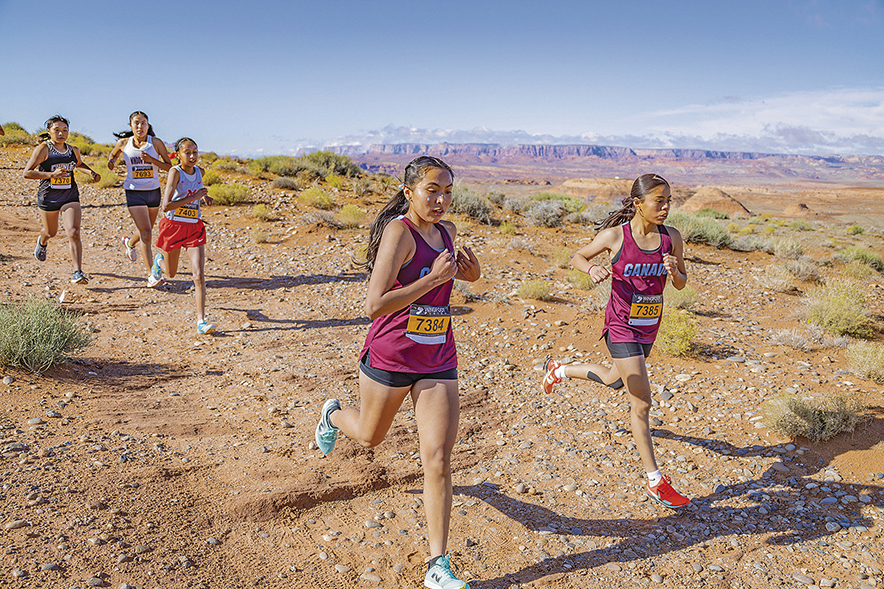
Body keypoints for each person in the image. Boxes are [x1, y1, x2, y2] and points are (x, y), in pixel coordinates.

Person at [315, 156, 480, 589]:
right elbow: (373, 306)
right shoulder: (398, 233)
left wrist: (471, 273)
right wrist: (429, 281)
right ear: (409, 192)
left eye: (448, 191)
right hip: (391, 355)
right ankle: (333, 415)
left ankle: (437, 564)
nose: (442, 199)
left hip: (438, 358)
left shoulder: (448, 233)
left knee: (439, 460)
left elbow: (451, 282)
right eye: (432, 191)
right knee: (370, 437)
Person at [542, 173, 691, 509]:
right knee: (641, 401)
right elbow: (578, 256)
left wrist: (674, 271)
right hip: (621, 325)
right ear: (638, 204)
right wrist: (591, 270)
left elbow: (681, 283)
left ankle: (560, 371)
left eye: (669, 201)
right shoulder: (615, 237)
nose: (666, 207)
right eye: (659, 201)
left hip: (649, 327)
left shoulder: (672, 239)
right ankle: (656, 481)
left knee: (614, 380)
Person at [23, 115, 101, 284]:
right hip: (48, 197)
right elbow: (27, 172)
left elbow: (78, 164)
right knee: (51, 232)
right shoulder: (43, 149)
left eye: (64, 130)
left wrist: (91, 173)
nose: (61, 133)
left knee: (73, 231)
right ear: (49, 131)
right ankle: (42, 241)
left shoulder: (73, 150)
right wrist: (51, 174)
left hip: (69, 196)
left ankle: (77, 272)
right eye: (56, 130)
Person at [150, 137, 216, 334]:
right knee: (171, 273)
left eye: (195, 151)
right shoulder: (174, 172)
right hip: (174, 226)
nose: (193, 155)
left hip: (194, 227)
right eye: (187, 152)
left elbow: (198, 188)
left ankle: (201, 321)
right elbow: (165, 206)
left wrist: (205, 197)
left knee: (198, 275)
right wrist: (194, 197)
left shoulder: (199, 171)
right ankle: (158, 263)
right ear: (177, 154)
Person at [107, 111, 172, 283]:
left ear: (148, 126)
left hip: (153, 191)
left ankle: (129, 243)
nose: (140, 126)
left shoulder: (156, 143)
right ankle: (152, 274)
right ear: (130, 126)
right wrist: (111, 161)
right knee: (146, 233)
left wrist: (152, 160)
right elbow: (113, 154)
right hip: (134, 191)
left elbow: (168, 167)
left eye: (143, 123)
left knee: (147, 230)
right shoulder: (123, 143)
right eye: (136, 123)